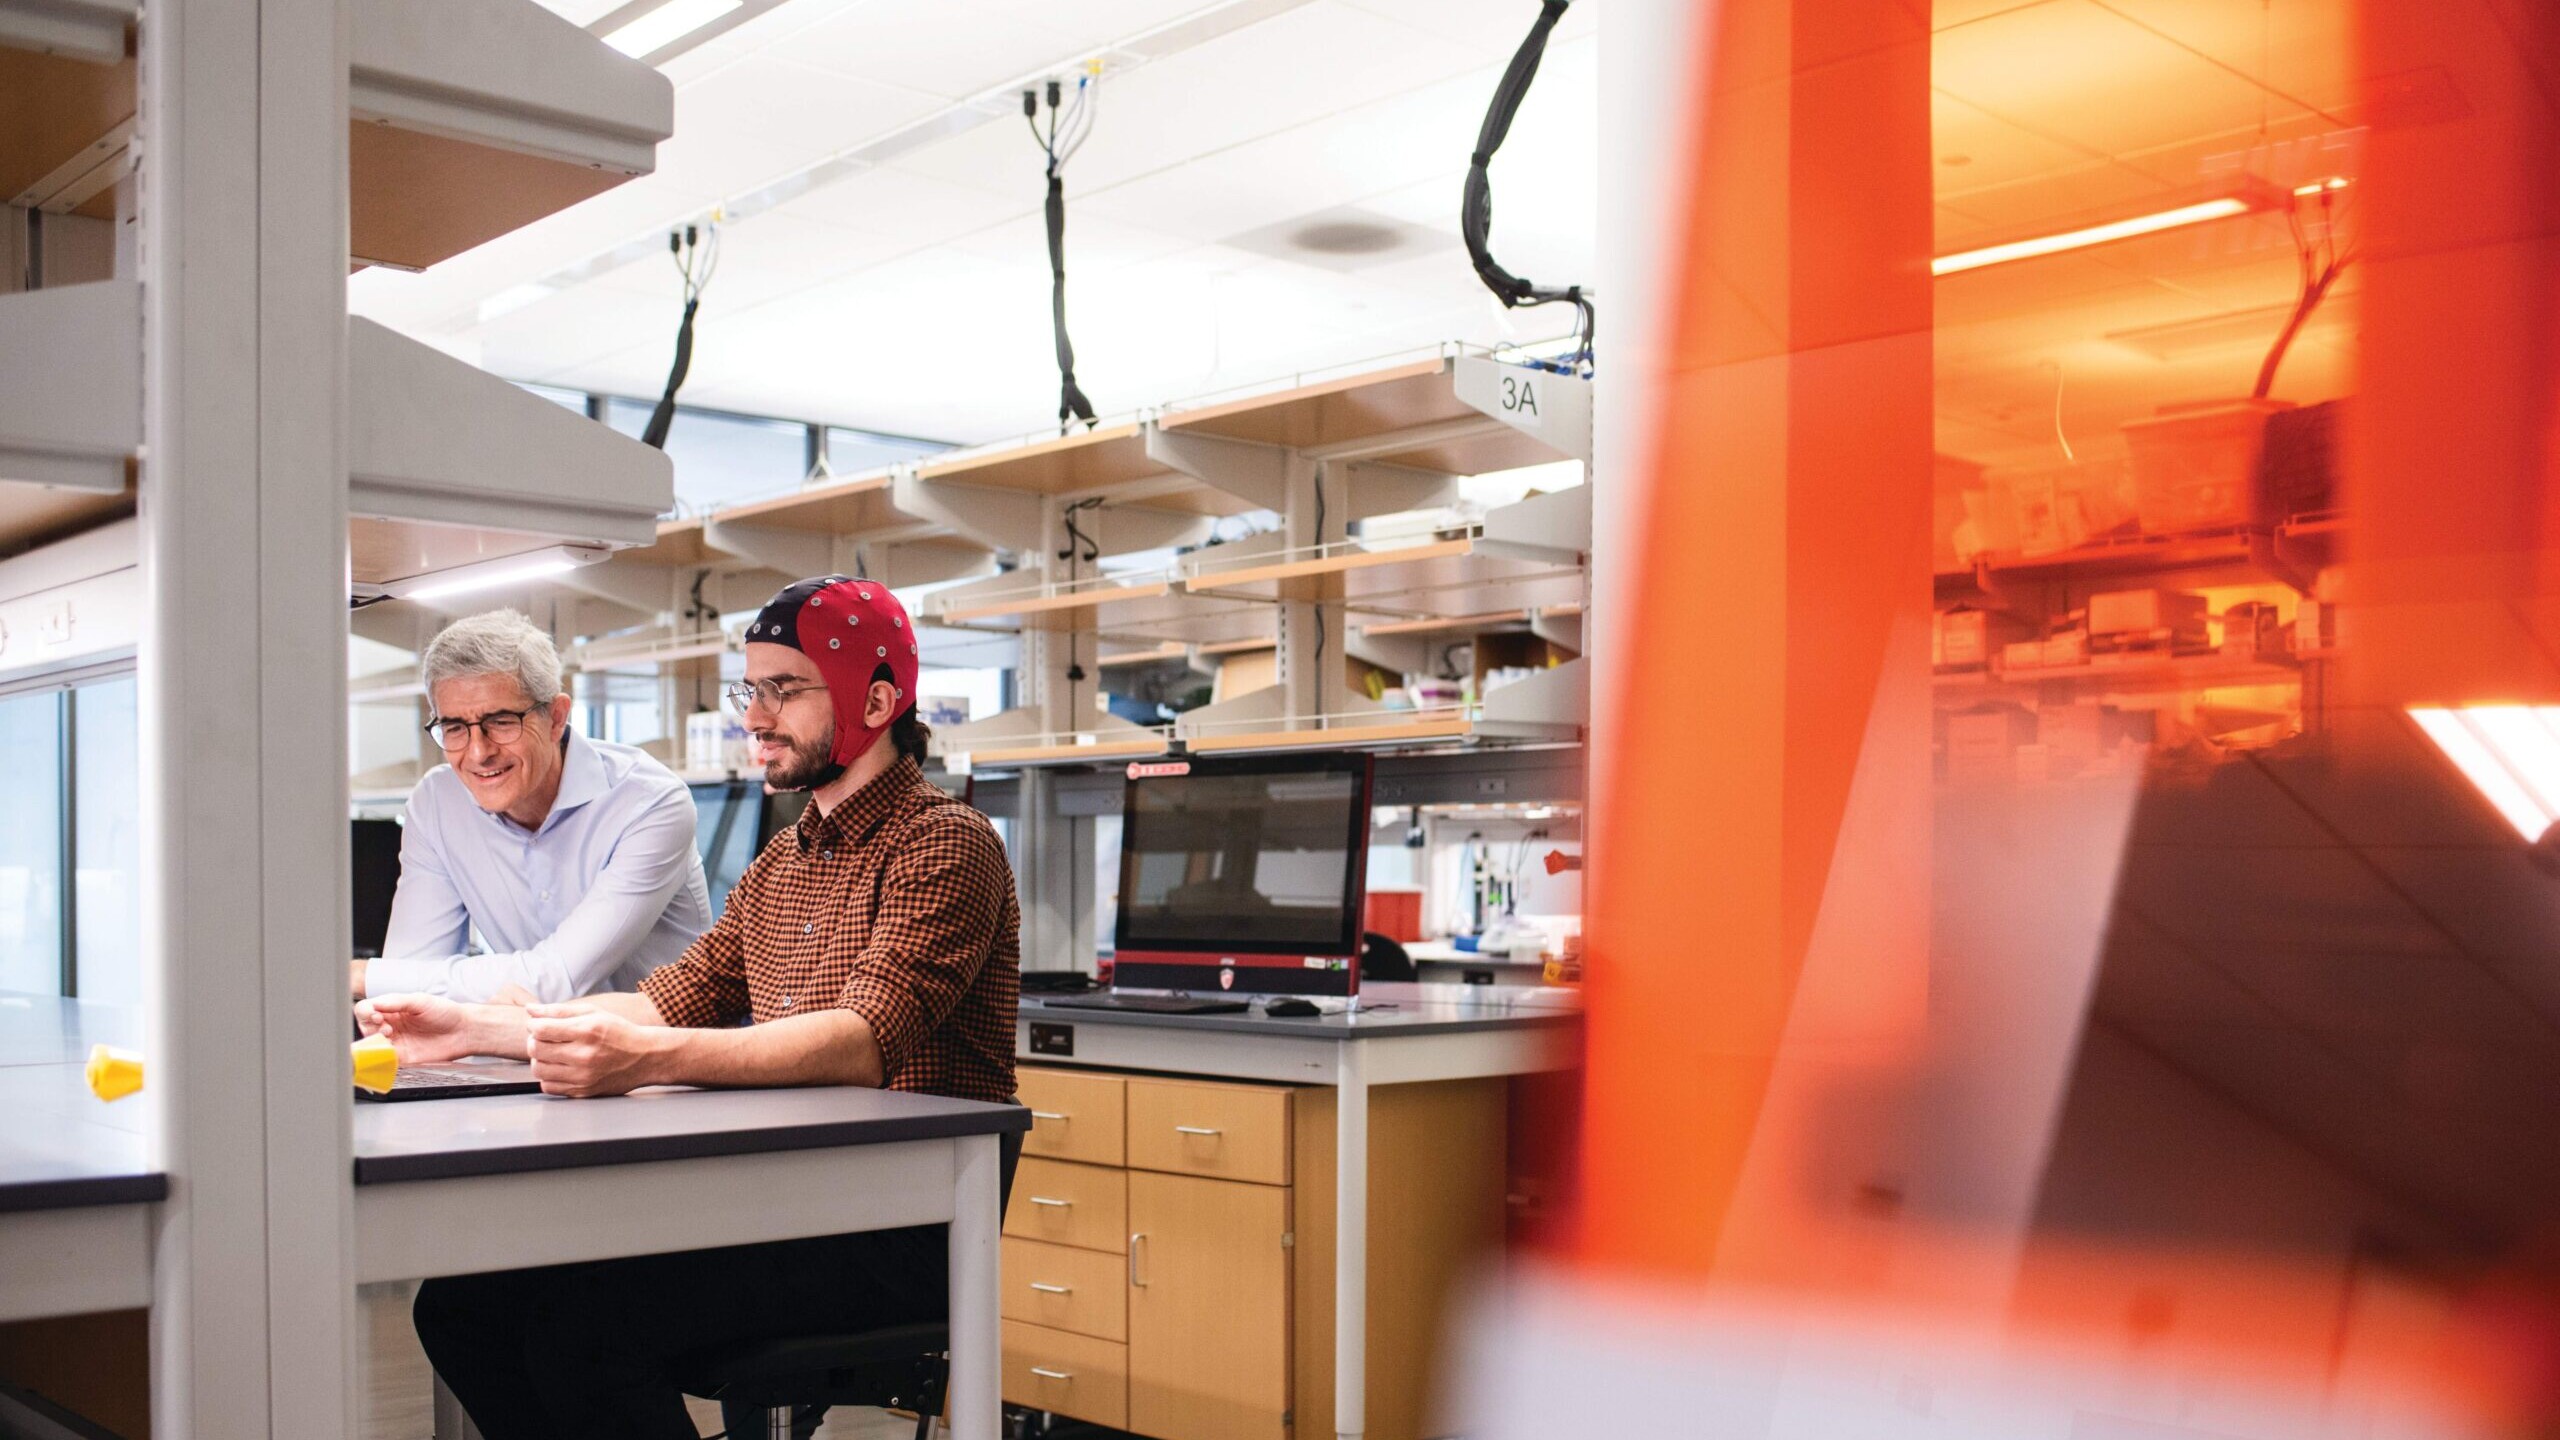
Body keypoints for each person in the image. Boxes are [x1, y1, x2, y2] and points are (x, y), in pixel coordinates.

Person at [363, 576, 1021, 1440]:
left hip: (898, 1224)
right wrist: (475, 1031)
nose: (755, 715)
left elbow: (863, 1040)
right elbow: (668, 998)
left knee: (581, 1329)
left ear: (879, 698)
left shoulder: (946, 842)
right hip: (791, 1193)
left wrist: (649, 1060)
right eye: (753, 689)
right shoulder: (787, 858)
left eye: (786, 689)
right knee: (463, 1309)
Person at [353, 610, 712, 1005]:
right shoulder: (438, 804)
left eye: (502, 722)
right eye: (455, 727)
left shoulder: (649, 803)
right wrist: (389, 984)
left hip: (664, 1059)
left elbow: (554, 979)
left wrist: (367, 975)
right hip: (528, 1053)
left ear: (556, 718)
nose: (478, 752)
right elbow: (405, 985)